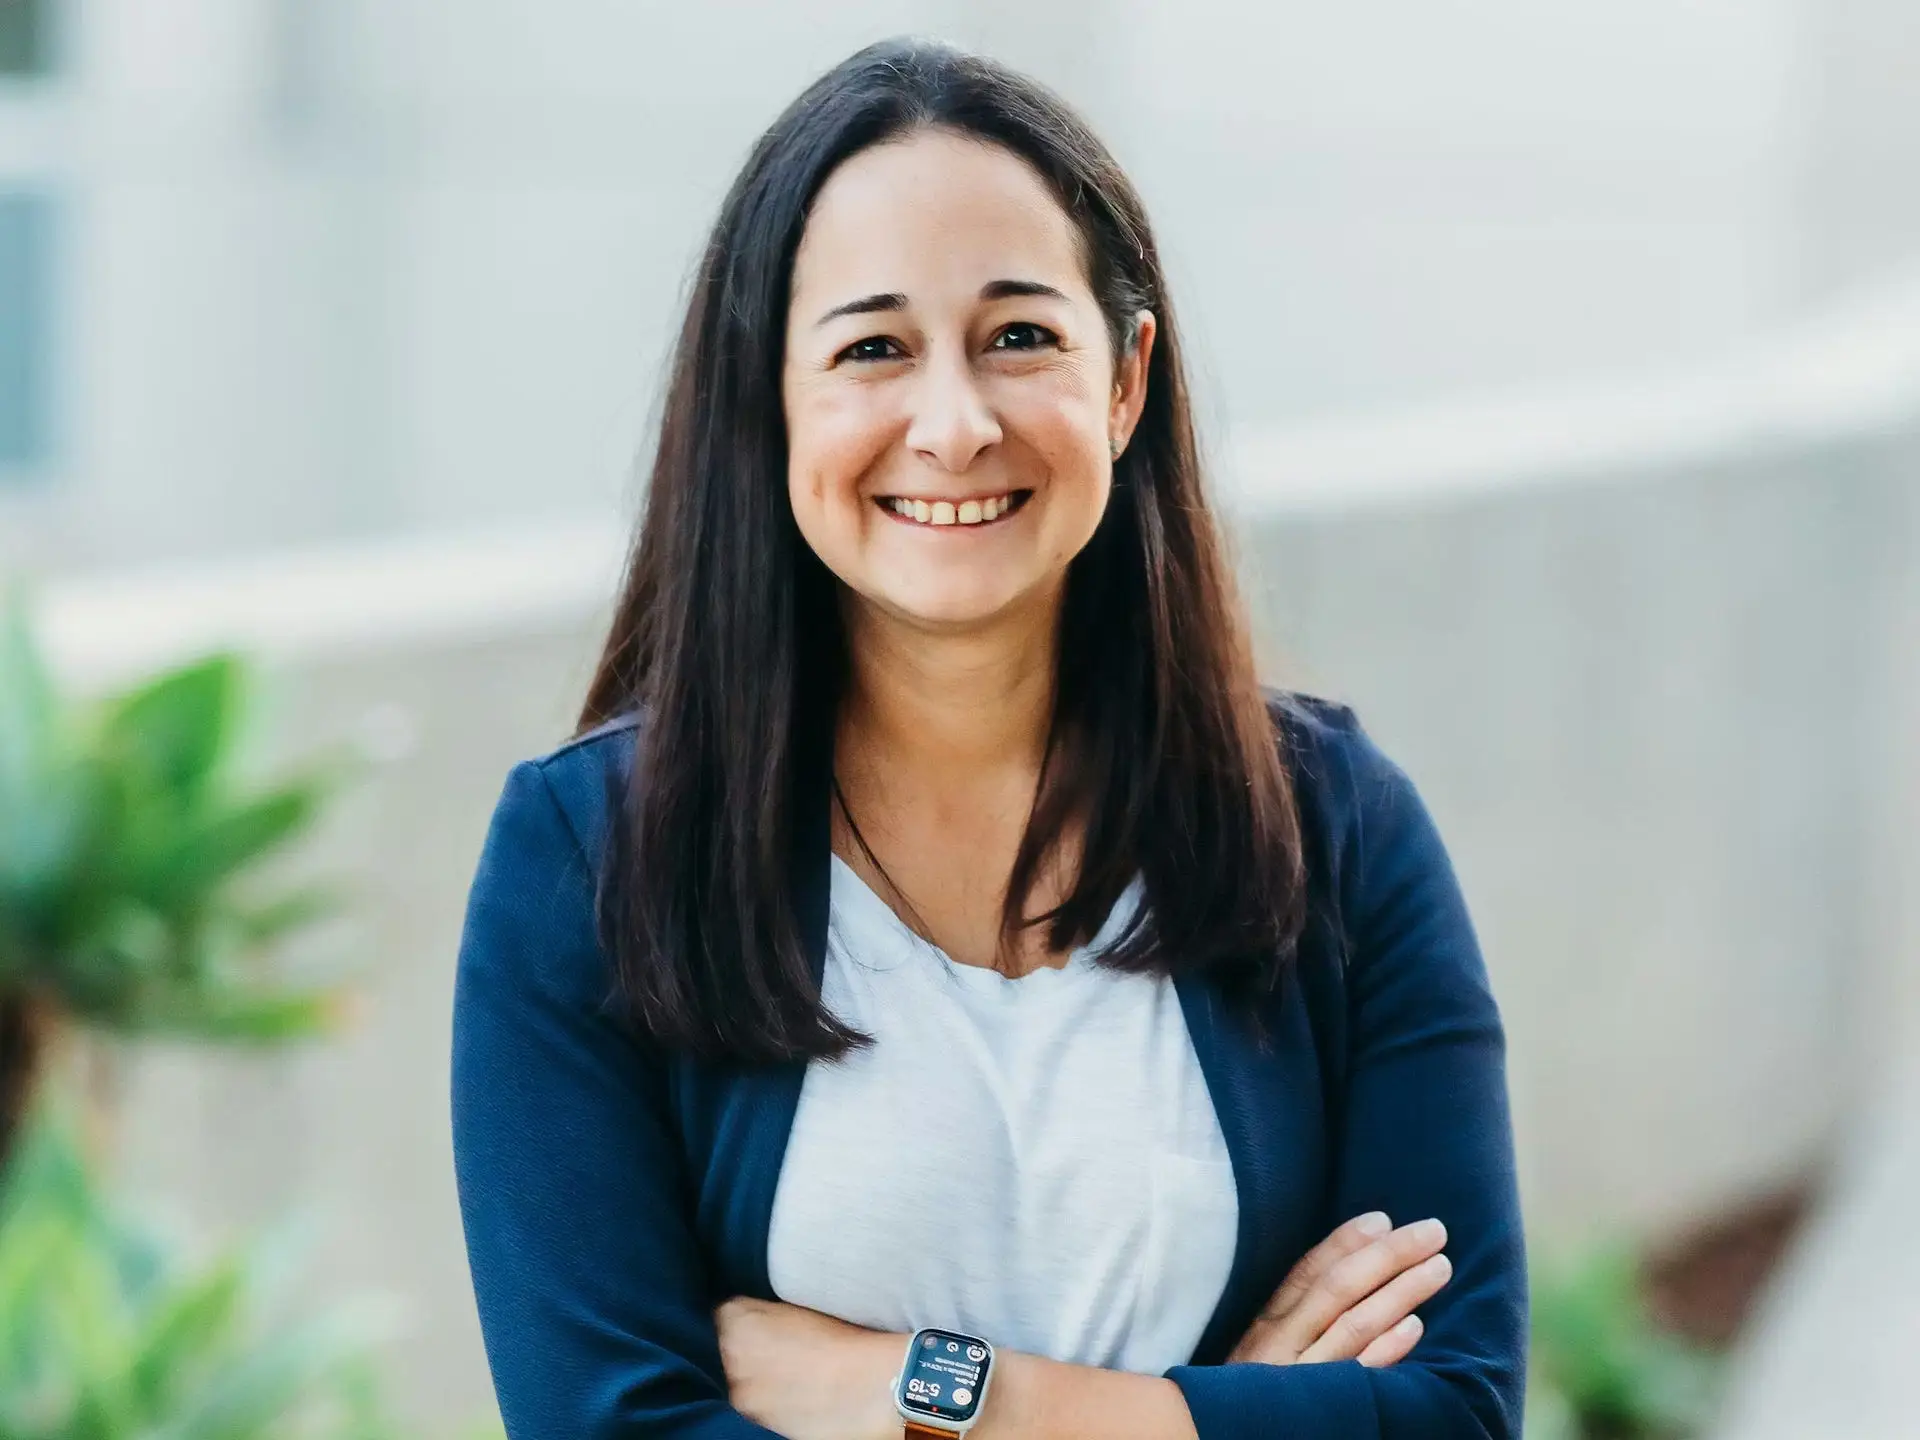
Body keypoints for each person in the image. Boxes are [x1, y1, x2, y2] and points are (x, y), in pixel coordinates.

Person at [450, 36, 1525, 1440]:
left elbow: (1456, 1413)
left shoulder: (1330, 830)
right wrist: (1230, 1414)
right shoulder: (589, 863)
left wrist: (934, 1396)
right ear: (768, 395)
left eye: (1020, 336)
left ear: (1127, 378)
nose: (952, 425)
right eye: (871, 350)